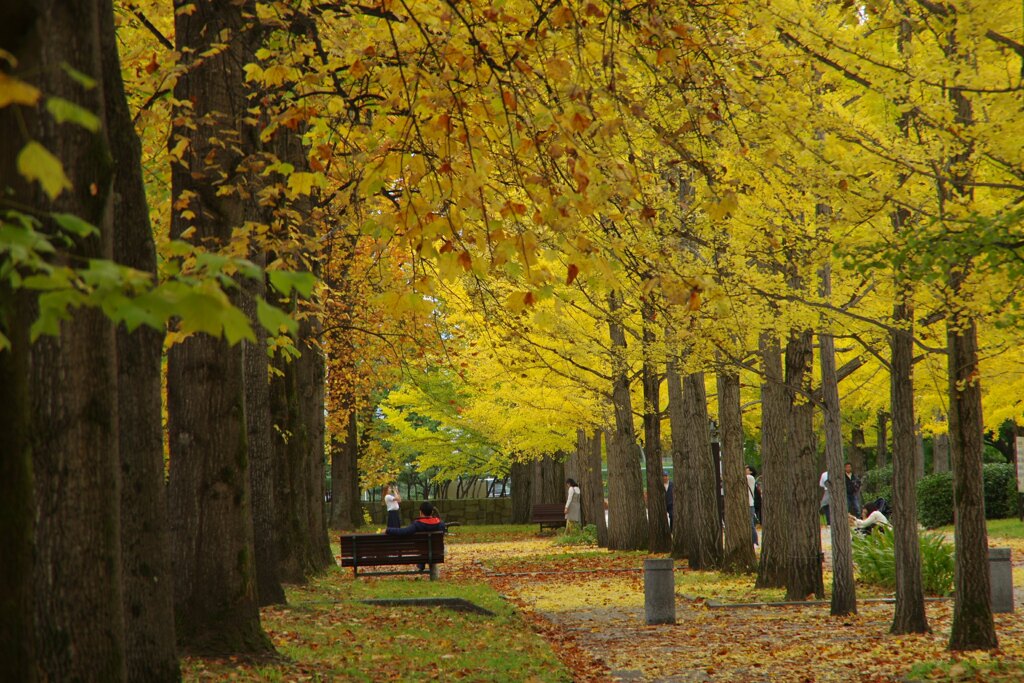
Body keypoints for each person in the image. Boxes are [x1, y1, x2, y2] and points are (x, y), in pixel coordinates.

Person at [386, 502, 446, 570]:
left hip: (421, 550)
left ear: (420, 512)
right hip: (437, 551)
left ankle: (421, 565)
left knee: (424, 549)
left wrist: (388, 530)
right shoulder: (441, 524)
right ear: (432, 512)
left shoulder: (417, 524)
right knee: (431, 547)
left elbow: (403, 532)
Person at [746, 466, 759, 547]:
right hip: (748, 504)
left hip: (750, 505)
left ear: (750, 472)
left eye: (746, 468)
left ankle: (755, 542)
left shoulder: (750, 477)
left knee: (751, 525)